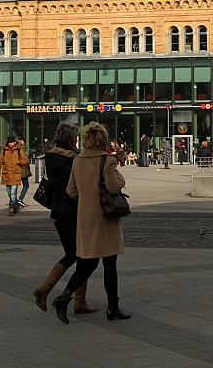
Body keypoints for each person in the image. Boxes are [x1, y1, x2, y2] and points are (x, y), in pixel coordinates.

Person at [52, 121, 130, 323]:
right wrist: (121, 179)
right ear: (103, 139)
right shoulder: (108, 160)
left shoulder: (78, 160)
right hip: (105, 219)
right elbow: (114, 187)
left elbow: (71, 191)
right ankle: (112, 306)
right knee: (110, 264)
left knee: (87, 263)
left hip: (85, 218)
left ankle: (65, 297)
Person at [34, 123, 97, 315]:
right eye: (76, 137)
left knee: (72, 254)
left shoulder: (51, 156)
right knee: (84, 256)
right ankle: (63, 295)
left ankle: (70, 297)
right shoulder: (74, 159)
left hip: (58, 212)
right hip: (74, 212)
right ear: (71, 139)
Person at [0, 136, 28, 216]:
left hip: (15, 174)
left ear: (14, 142)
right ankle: (15, 205)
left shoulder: (19, 150)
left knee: (13, 192)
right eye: (9, 142)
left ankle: (11, 208)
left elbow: (26, 160)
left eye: (12, 142)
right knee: (9, 193)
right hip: (6, 174)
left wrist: (18, 161)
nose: (10, 144)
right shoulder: (4, 151)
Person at [17, 138, 32, 207]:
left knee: (18, 185)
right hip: (22, 171)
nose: (23, 145)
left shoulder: (19, 150)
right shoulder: (20, 151)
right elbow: (25, 161)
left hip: (21, 170)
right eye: (22, 144)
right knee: (26, 185)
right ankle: (20, 199)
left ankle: (18, 200)